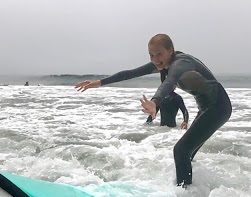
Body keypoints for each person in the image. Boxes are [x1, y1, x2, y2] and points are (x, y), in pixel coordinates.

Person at [75, 34, 232, 187]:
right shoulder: (164, 64)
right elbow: (131, 73)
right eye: (151, 55)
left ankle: (185, 196)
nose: (155, 59)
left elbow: (170, 82)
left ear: (171, 50)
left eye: (159, 54)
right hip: (207, 108)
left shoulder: (181, 63)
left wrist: (155, 102)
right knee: (187, 153)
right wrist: (100, 82)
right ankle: (195, 189)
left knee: (181, 150)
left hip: (218, 108)